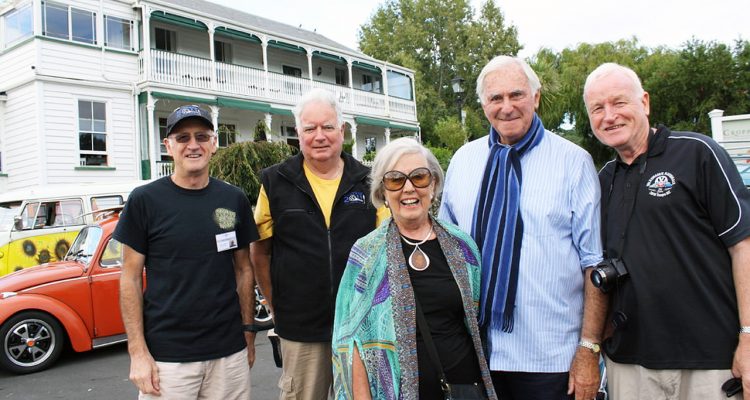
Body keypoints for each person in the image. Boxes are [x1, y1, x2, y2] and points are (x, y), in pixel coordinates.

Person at [438, 55, 606, 400]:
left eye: (516, 94)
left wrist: (589, 349)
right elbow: (446, 252)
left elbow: (594, 264)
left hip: (551, 358)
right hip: (476, 356)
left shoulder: (573, 162)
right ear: (483, 105)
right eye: (495, 98)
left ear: (536, 97)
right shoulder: (463, 161)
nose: (507, 106)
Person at [583, 62, 750, 399]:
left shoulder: (697, 153)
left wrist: (748, 335)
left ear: (644, 102)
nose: (609, 116)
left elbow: (742, 245)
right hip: (630, 364)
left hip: (708, 362)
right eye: (597, 108)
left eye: (619, 102)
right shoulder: (602, 180)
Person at [332, 138, 497, 399]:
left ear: (433, 185)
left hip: (466, 388)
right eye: (395, 180)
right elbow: (349, 340)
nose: (408, 188)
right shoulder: (366, 254)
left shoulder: (462, 246)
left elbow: (477, 323)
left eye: (419, 177)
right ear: (383, 192)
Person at [251, 88, 388, 400]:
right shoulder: (275, 181)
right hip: (301, 330)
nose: (319, 136)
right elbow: (259, 251)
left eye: (327, 127)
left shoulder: (369, 181)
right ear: (298, 133)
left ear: (342, 130)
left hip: (359, 326)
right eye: (310, 128)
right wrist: (276, 305)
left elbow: (385, 250)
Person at [117, 105, 259, 399]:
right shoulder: (144, 201)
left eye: (201, 136)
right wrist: (137, 352)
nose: (193, 145)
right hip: (168, 360)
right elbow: (129, 278)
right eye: (182, 138)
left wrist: (248, 330)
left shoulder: (233, 199)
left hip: (229, 355)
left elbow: (244, 269)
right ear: (168, 146)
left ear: (214, 143)